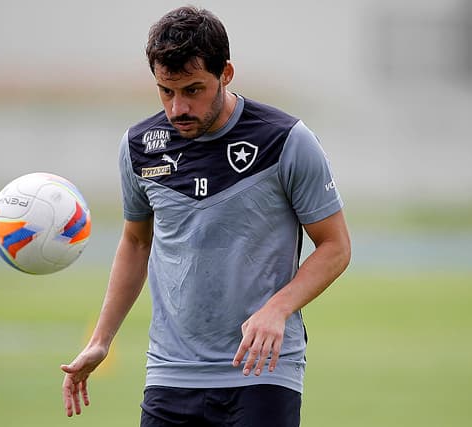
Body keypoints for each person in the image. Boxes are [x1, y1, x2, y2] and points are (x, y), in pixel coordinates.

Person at [61, 6, 351, 426]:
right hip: (170, 374)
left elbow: (336, 246)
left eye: (193, 90)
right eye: (166, 91)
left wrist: (277, 309)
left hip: (262, 373)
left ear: (226, 73)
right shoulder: (141, 147)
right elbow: (136, 241)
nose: (178, 107)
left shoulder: (285, 140)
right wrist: (101, 340)